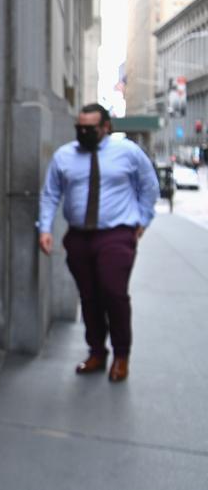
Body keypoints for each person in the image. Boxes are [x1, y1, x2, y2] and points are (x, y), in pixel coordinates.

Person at [38, 104, 159, 382]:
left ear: (106, 127)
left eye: (89, 128)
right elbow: (50, 194)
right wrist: (45, 228)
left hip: (116, 234)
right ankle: (96, 351)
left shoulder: (127, 152)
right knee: (89, 297)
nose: (83, 132)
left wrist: (142, 219)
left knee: (114, 293)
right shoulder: (64, 156)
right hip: (79, 237)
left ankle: (121, 355)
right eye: (79, 127)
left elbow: (149, 185)